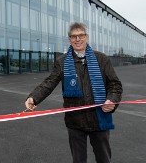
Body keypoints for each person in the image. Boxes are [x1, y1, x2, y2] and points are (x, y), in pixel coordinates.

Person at [25, 22, 122, 163]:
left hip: (99, 119)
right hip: (75, 121)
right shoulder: (62, 61)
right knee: (78, 160)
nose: (77, 39)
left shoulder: (102, 59)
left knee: (104, 159)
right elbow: (49, 82)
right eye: (73, 36)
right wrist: (33, 98)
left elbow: (115, 85)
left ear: (86, 37)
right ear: (69, 39)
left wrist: (111, 100)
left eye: (80, 35)